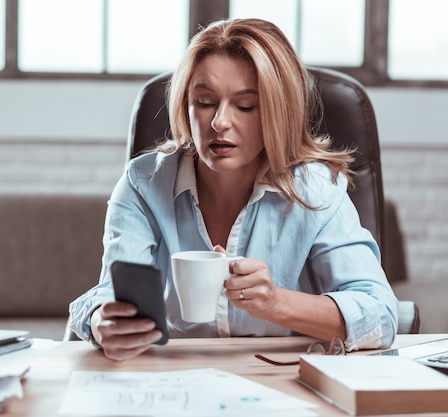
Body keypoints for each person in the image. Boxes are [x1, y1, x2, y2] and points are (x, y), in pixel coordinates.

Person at [68, 18, 398, 361]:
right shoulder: (144, 184)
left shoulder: (316, 190)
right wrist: (100, 320)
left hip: (284, 381)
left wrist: (276, 303)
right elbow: (110, 292)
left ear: (277, 113)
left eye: (245, 106)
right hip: (173, 380)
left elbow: (381, 314)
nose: (220, 123)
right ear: (186, 105)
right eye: (206, 101)